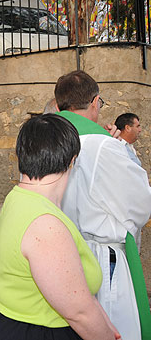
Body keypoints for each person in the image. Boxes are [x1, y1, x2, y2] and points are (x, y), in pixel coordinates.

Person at [0, 114, 119, 340]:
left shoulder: (19, 197)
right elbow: (79, 313)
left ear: (21, 154)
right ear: (72, 161)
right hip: (30, 331)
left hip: (0, 322)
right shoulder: (45, 225)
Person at [55, 71, 151, 340]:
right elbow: (140, 203)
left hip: (62, 249)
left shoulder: (48, 135)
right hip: (100, 257)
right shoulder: (104, 146)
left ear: (58, 102)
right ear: (95, 101)